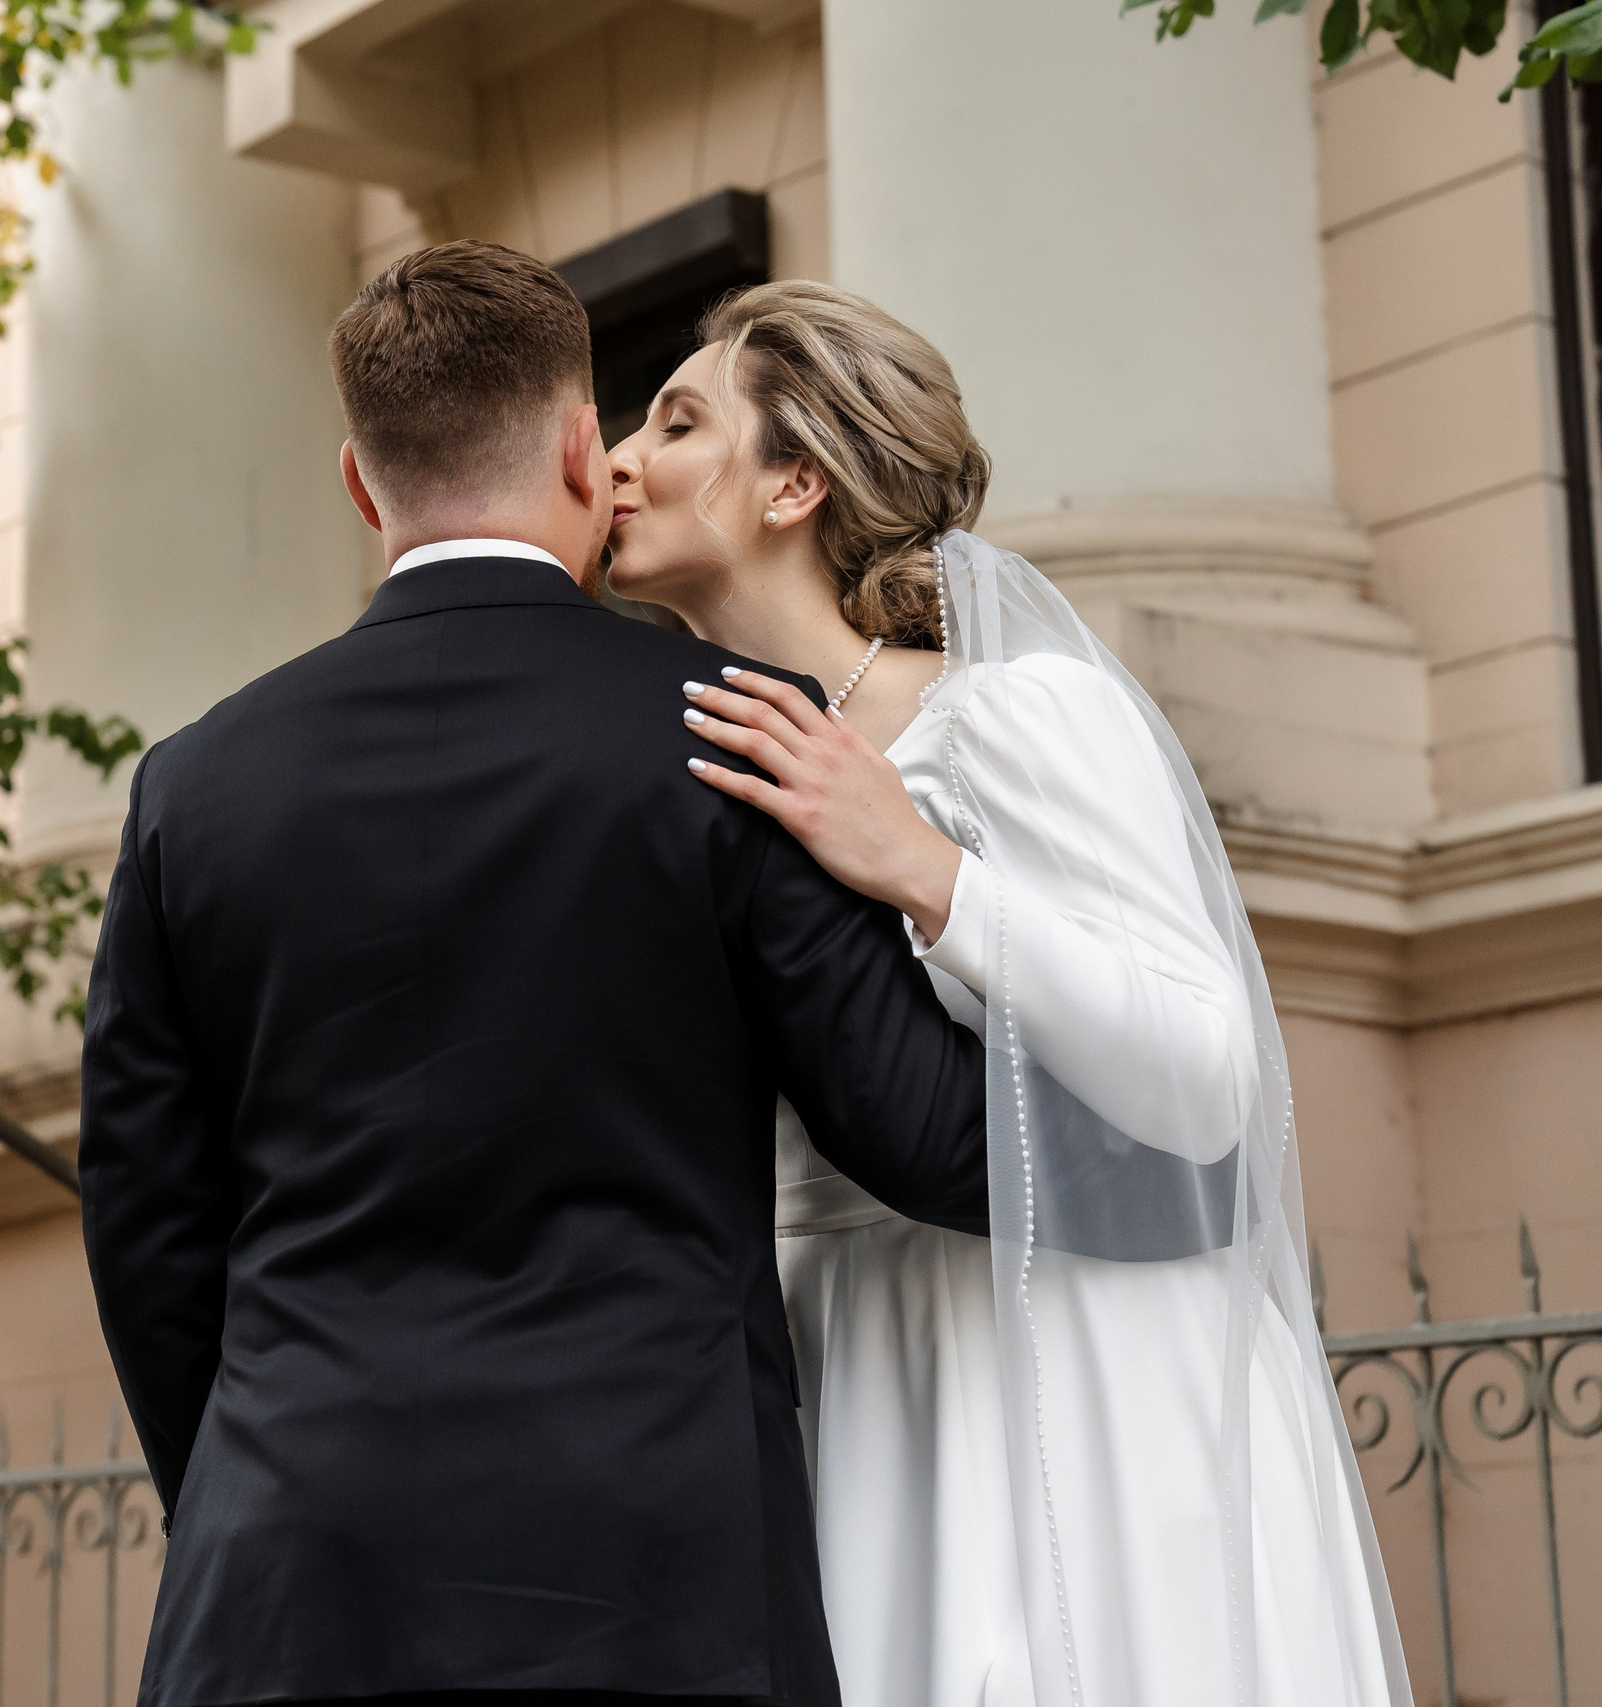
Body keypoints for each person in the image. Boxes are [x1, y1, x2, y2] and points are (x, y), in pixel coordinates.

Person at [79, 242, 990, 1707]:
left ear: (361, 485)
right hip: (661, 1581)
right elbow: (923, 1137)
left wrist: (251, 1497)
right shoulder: (730, 734)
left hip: (289, 1578)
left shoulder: (192, 787)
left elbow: (146, 1225)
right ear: (583, 448)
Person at [605, 279, 1409, 1707]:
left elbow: (1209, 1072)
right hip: (836, 1365)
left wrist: (927, 871)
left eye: (673, 422)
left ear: (795, 481)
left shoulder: (1014, 716)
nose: (617, 459)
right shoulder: (685, 769)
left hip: (1058, 1365)